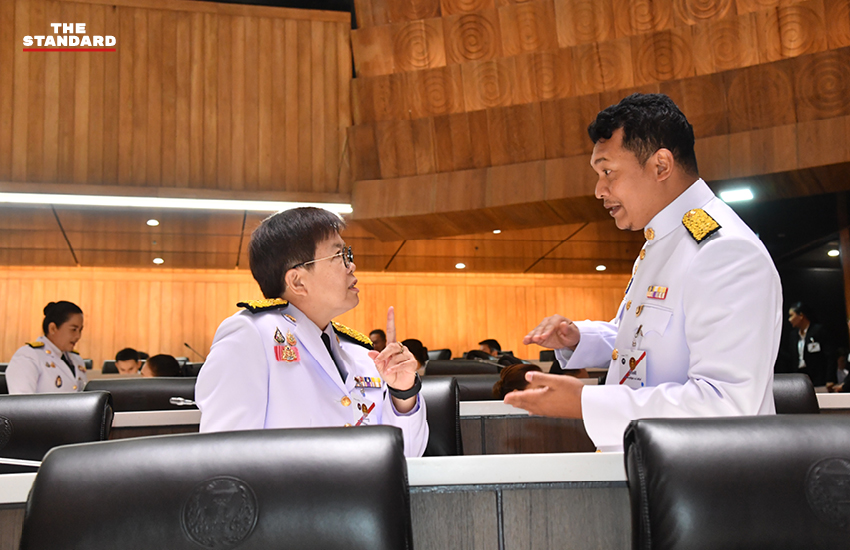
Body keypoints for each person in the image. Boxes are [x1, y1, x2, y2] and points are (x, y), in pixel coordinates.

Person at [505, 93, 782, 451]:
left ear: (661, 165)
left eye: (608, 172)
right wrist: (578, 338)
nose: (599, 190)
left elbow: (727, 404)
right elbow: (640, 340)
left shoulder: (724, 251)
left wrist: (588, 403)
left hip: (710, 486)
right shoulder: (666, 240)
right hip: (662, 469)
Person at [195, 207, 428, 458]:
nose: (352, 266)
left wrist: (403, 393)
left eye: (347, 254)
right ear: (297, 282)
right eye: (339, 255)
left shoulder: (359, 353)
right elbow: (223, 457)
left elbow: (406, 457)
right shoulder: (251, 336)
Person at [6, 301, 88, 394]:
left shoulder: (77, 360)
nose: (78, 336)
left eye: (80, 330)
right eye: (73, 330)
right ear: (53, 328)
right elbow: (22, 404)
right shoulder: (28, 357)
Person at [778, 302, 831, 387]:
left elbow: (829, 355)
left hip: (818, 377)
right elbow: (791, 357)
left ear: (801, 315)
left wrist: (830, 378)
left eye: (792, 315)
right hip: (799, 377)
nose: (789, 319)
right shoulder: (793, 335)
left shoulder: (817, 331)